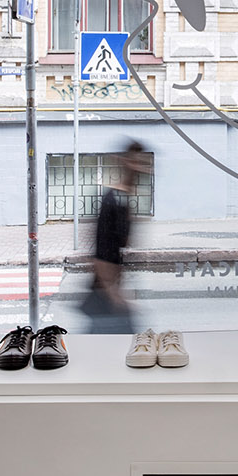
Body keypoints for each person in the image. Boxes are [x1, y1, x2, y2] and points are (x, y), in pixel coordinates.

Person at [84, 140, 148, 332]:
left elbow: (122, 244)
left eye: (144, 163)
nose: (141, 168)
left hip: (112, 289)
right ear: (124, 162)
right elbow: (102, 249)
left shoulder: (125, 198)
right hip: (105, 291)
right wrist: (112, 292)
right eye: (136, 162)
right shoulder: (113, 199)